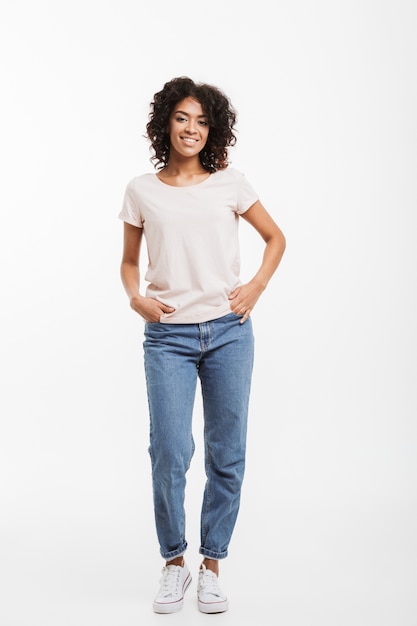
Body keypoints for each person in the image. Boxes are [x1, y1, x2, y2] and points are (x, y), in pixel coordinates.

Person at [119, 76, 286, 614]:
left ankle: (212, 565)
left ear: (212, 129)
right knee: (169, 452)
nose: (191, 129)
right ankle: (174, 564)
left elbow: (276, 237)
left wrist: (255, 287)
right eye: (182, 118)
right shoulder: (141, 190)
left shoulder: (231, 183)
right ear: (166, 123)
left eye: (201, 120)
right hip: (166, 336)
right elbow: (128, 261)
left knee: (226, 454)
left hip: (229, 334)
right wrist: (134, 297)